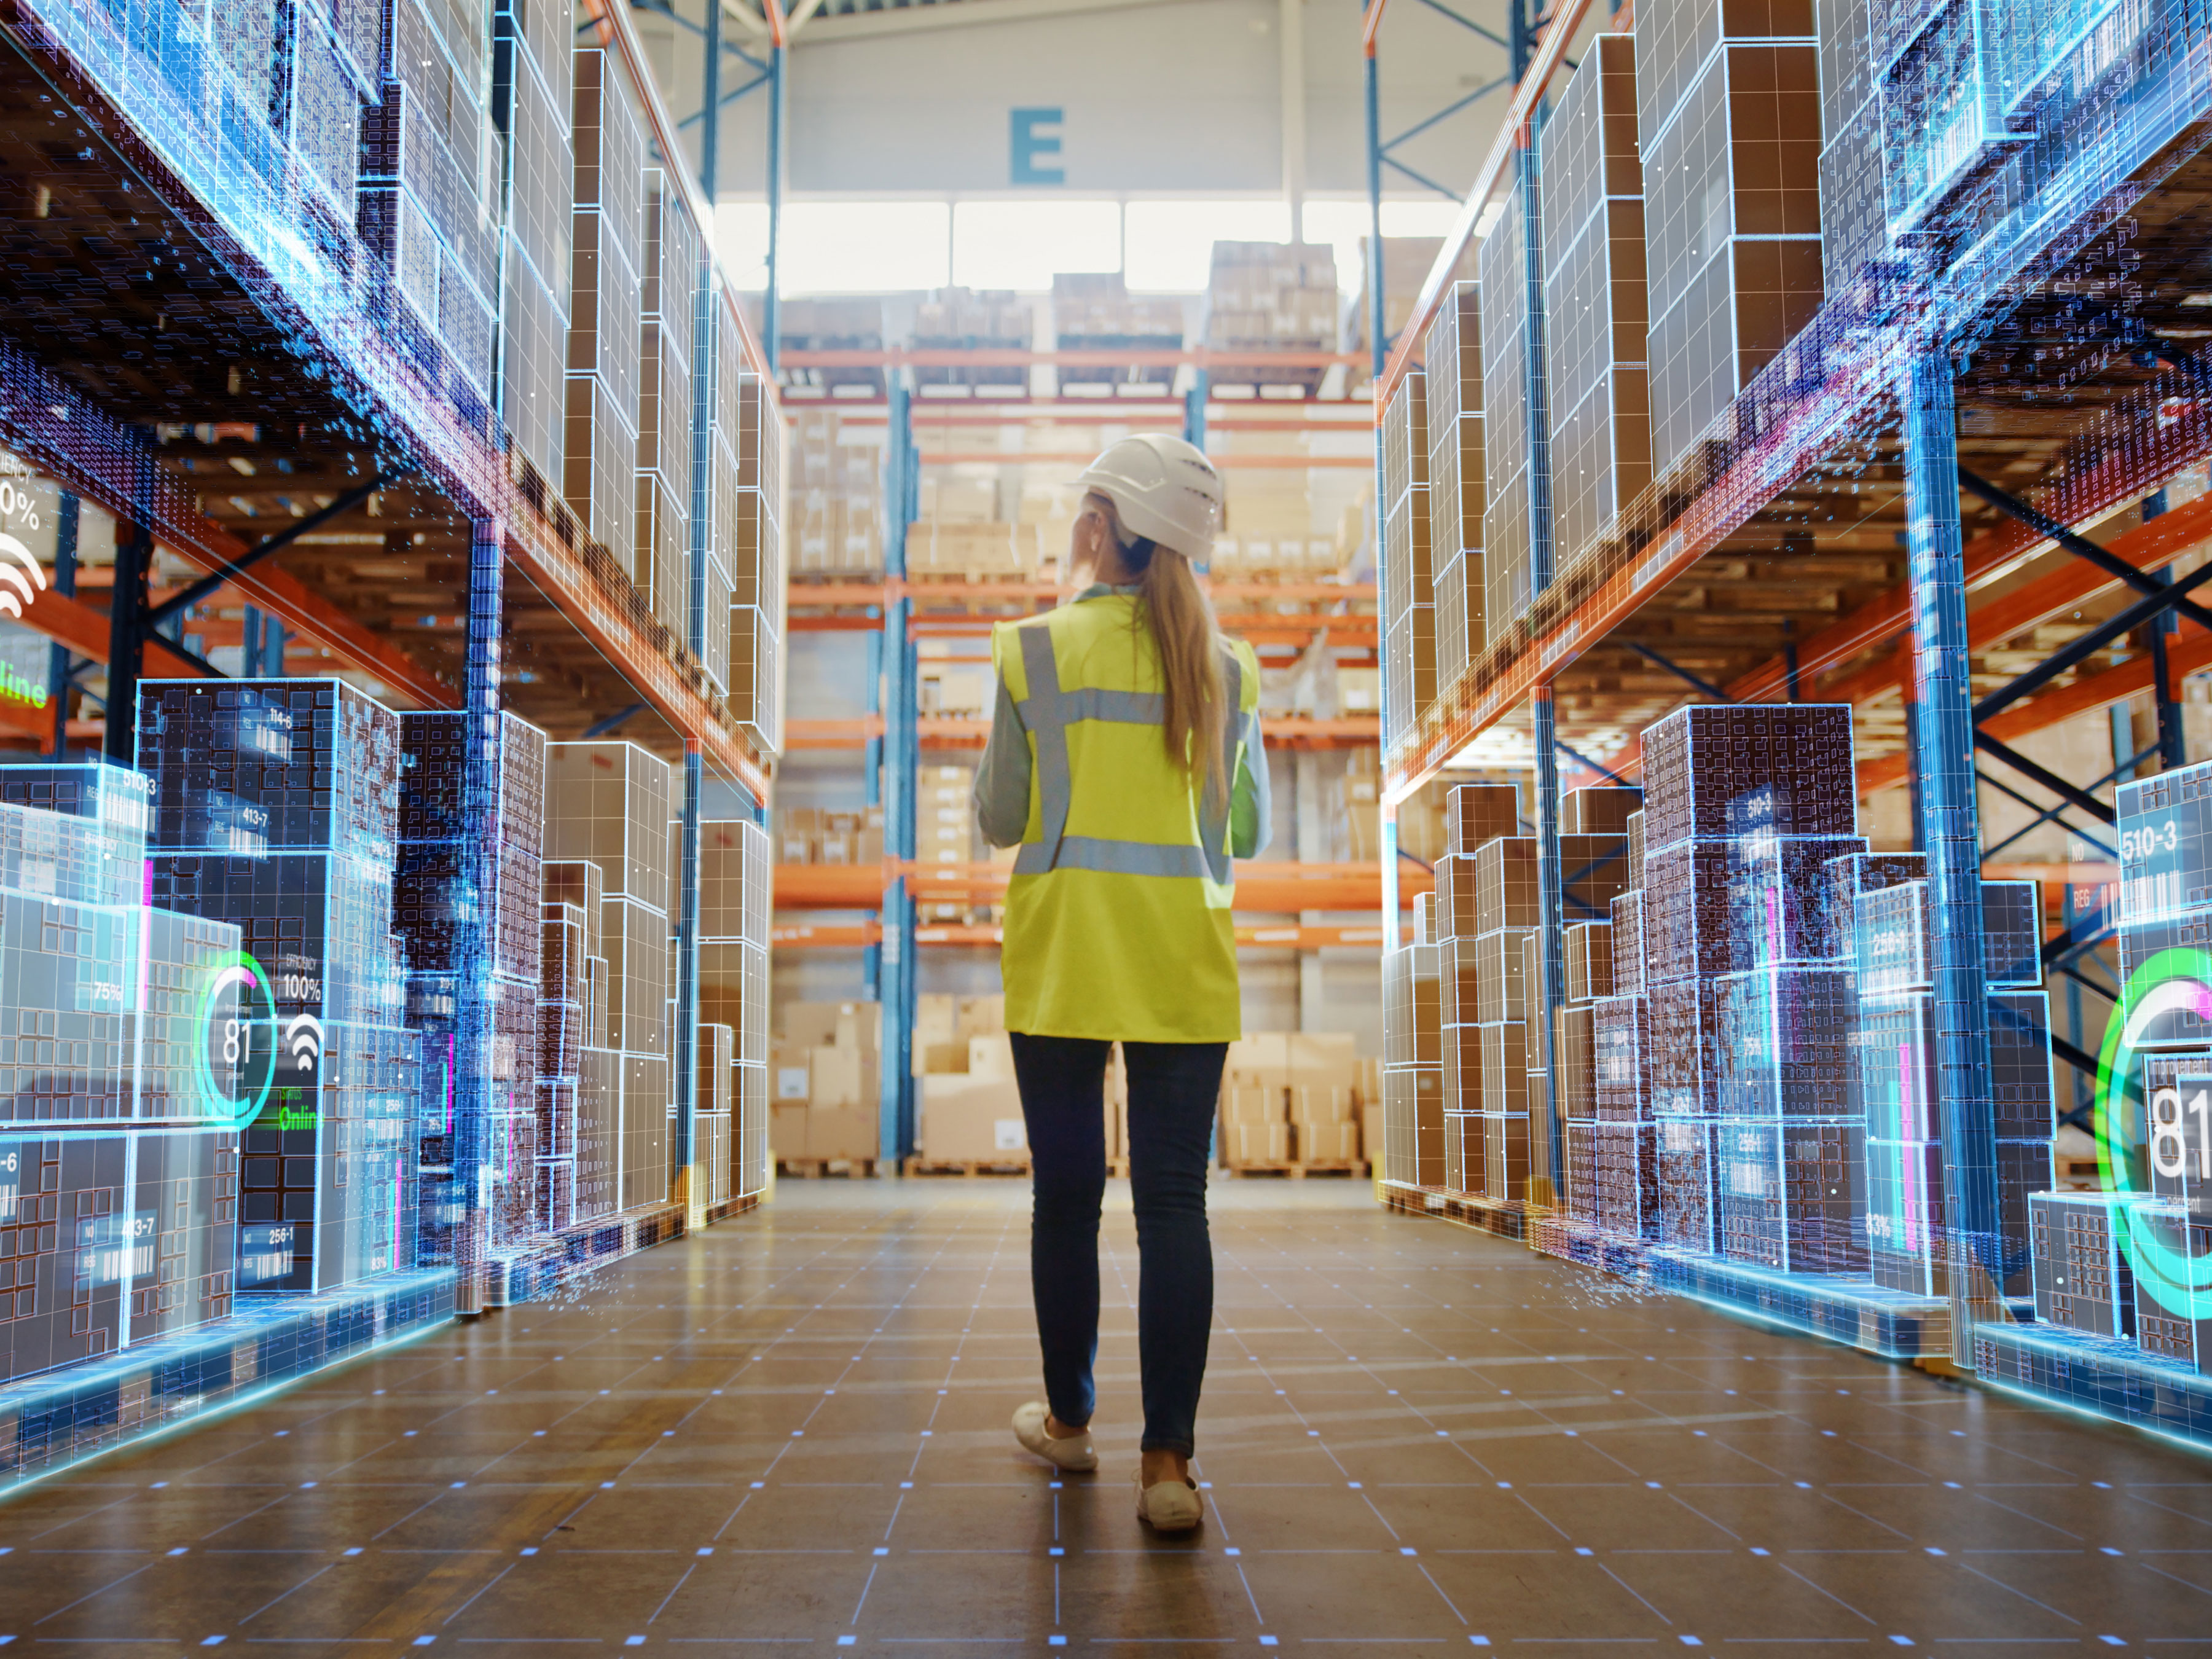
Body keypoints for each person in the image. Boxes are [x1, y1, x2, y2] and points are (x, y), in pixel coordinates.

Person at [972, 433, 1269, 1534]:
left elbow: (1003, 818)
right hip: (1183, 970)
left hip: (1061, 965)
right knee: (1174, 1208)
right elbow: (1247, 828)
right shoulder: (1229, 671)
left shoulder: (1032, 652)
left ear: (1104, 527)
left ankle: (1069, 1424)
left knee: (1067, 1201)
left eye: (1083, 508)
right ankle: (1169, 1471)